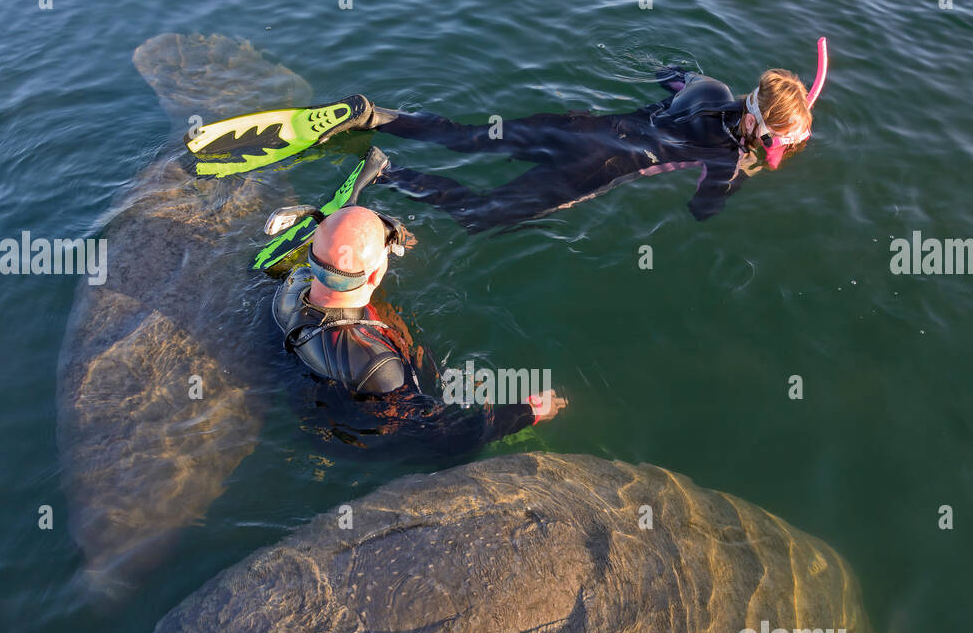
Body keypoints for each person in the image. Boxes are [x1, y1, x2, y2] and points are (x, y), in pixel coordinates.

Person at [188, 39, 827, 233]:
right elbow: (701, 211)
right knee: (483, 214)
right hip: (599, 167)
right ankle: (388, 174)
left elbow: (669, 71)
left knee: (470, 138)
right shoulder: (726, 162)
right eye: (783, 139)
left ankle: (377, 116)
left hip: (579, 125)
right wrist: (751, 168)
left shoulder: (709, 88)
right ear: (765, 132)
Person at [271, 201, 566, 454]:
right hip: (363, 435)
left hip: (315, 391)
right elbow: (443, 439)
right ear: (375, 275)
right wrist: (526, 412)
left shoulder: (290, 290)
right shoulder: (380, 365)